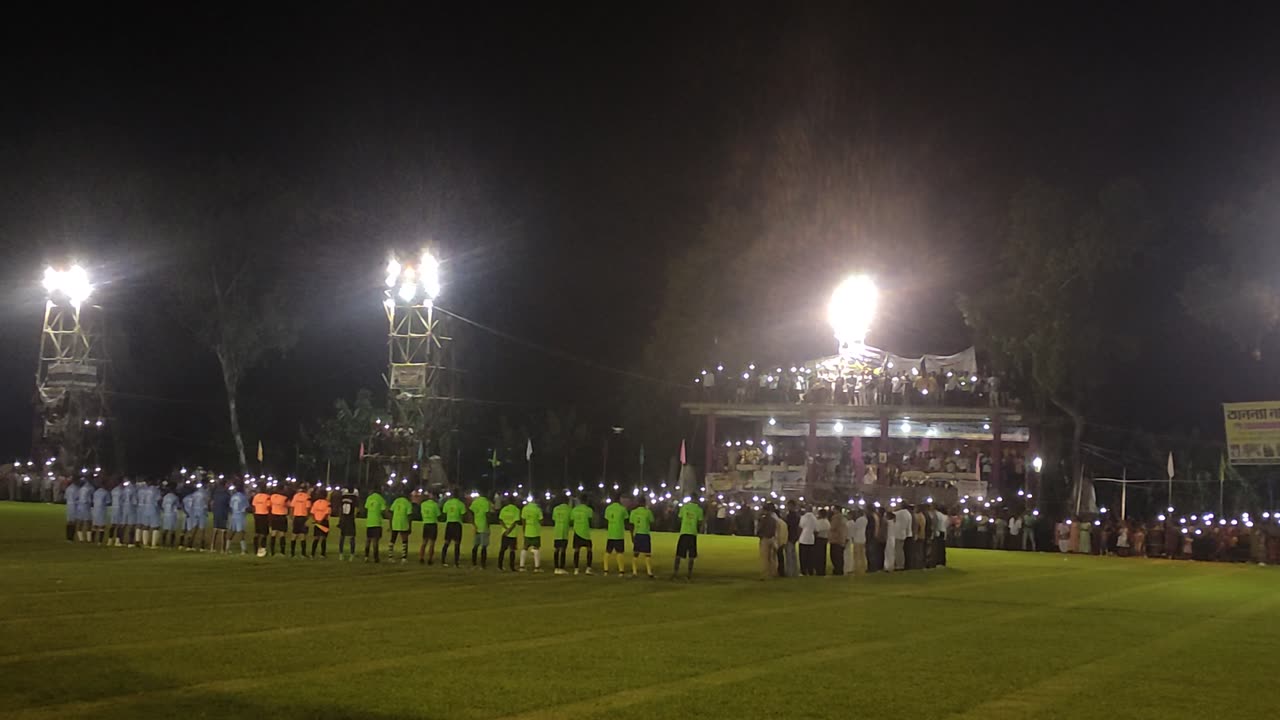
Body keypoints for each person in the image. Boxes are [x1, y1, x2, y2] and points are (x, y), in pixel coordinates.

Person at [673, 498, 704, 580]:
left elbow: (679, 517)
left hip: (684, 532)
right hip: (692, 533)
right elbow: (700, 522)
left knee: (678, 554)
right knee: (691, 555)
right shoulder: (699, 510)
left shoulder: (684, 507)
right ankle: (689, 574)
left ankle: (675, 573)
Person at [603, 494, 629, 576]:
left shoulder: (608, 508)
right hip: (619, 534)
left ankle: (605, 570)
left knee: (607, 552)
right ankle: (621, 571)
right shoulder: (622, 509)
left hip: (611, 533)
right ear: (619, 499)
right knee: (620, 553)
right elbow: (626, 518)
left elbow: (606, 519)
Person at [628, 496, 655, 578]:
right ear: (644, 503)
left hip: (637, 534)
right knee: (647, 554)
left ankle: (634, 572)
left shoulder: (633, 512)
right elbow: (652, 521)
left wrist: (632, 536)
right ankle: (649, 572)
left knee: (635, 554)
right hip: (645, 534)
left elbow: (631, 525)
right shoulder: (648, 512)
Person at [440, 492, 467, 567]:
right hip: (457, 524)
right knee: (457, 543)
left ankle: (443, 560)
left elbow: (444, 513)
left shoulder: (447, 503)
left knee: (446, 542)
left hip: (449, 523)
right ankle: (456, 562)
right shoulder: (460, 504)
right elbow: (463, 514)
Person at [570, 496, 595, 575]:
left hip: (577, 531)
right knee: (589, 550)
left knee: (576, 550)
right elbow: (590, 520)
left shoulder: (574, 510)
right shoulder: (589, 510)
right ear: (587, 501)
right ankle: (588, 568)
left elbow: (572, 520)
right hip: (586, 532)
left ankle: (576, 569)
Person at [469, 493, 493, 570]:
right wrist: (488, 525)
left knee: (475, 545)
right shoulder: (486, 503)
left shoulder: (475, 502)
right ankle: (482, 564)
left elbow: (470, 513)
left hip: (477, 526)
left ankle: (474, 563)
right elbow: (487, 515)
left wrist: (473, 523)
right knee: (484, 546)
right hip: (484, 526)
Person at [519, 498, 544, 573]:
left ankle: (521, 566)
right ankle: (537, 567)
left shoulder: (525, 508)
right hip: (535, 531)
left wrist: (524, 530)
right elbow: (541, 521)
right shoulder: (537, 509)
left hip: (527, 531)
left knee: (525, 548)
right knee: (536, 548)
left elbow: (523, 521)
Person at [363, 489, 387, 563]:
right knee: (375, 541)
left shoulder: (369, 498)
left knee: (368, 540)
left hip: (369, 521)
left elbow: (366, 508)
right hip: (377, 521)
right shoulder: (380, 498)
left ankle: (366, 557)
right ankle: (376, 558)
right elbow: (383, 510)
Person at [389, 493, 413, 562]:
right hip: (403, 522)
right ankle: (404, 557)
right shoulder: (407, 503)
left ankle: (390, 556)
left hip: (395, 522)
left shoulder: (396, 501)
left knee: (392, 539)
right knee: (404, 540)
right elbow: (409, 516)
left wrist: (390, 524)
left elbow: (391, 511)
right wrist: (410, 526)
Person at [497, 500, 521, 572]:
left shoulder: (504, 509)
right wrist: (509, 530)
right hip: (512, 533)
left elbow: (500, 520)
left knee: (502, 549)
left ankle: (500, 566)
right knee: (512, 550)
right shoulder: (516, 510)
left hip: (504, 532)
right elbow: (515, 522)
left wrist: (505, 529)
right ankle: (512, 566)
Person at [417, 491, 440, 565]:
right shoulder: (435, 505)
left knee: (424, 542)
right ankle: (430, 559)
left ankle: (421, 557)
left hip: (426, 523)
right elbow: (438, 514)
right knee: (432, 543)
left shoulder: (423, 504)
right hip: (433, 524)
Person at [551, 497, 572, 575]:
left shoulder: (555, 509)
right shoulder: (569, 509)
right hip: (564, 532)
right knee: (563, 550)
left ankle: (556, 567)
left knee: (556, 549)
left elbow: (554, 519)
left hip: (557, 531)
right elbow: (571, 519)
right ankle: (562, 567)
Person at [337, 488, 359, 561]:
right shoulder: (354, 498)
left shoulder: (343, 498)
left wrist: (340, 518)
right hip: (350, 518)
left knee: (342, 537)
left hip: (343, 518)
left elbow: (340, 509)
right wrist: (354, 517)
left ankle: (341, 554)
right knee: (351, 537)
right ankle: (351, 554)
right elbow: (356, 509)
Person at [289, 485, 312, 557]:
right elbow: (308, 507)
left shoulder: (295, 496)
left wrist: (291, 516)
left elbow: (292, 506)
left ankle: (292, 553)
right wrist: (308, 517)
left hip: (296, 517)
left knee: (294, 535)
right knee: (302, 535)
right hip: (303, 517)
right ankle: (303, 553)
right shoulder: (307, 497)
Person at [756, 504, 778, 580]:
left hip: (765, 539)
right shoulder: (774, 520)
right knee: (772, 557)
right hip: (772, 538)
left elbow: (760, 529)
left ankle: (765, 574)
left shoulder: (764, 519)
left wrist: (759, 535)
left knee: (765, 558)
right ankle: (773, 572)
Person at [310, 491, 332, 558]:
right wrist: (321, 521)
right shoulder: (327, 503)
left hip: (317, 521)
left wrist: (316, 520)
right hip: (324, 522)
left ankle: (312, 554)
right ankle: (322, 554)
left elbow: (312, 512)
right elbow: (326, 513)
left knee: (316, 537)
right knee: (323, 538)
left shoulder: (316, 502)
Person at [228, 485, 249, 554]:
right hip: (240, 515)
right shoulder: (243, 497)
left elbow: (231, 506)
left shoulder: (233, 496)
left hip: (234, 515)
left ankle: (226, 548)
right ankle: (243, 549)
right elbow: (246, 507)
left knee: (232, 531)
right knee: (240, 532)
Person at [211, 482, 231, 554]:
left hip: (216, 513)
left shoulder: (216, 493)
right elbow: (229, 504)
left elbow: (212, 503)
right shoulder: (226, 494)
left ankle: (212, 547)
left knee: (215, 530)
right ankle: (222, 549)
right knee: (223, 531)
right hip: (223, 513)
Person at [268, 487, 289, 556]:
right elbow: (288, 505)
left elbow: (270, 505)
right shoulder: (285, 498)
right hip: (282, 516)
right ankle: (282, 552)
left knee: (273, 533)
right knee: (282, 534)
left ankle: (272, 551)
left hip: (274, 516)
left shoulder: (273, 497)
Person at [797, 506, 817, 575]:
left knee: (803, 556)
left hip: (804, 538)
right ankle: (810, 570)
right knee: (810, 556)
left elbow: (801, 526)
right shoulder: (814, 518)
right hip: (811, 538)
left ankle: (803, 570)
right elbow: (815, 528)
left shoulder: (803, 517)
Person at [251, 487, 271, 556]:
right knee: (264, 533)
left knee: (257, 533)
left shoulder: (256, 496)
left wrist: (254, 514)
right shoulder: (267, 497)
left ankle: (255, 549)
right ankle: (262, 549)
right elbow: (268, 507)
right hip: (264, 515)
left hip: (257, 515)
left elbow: (253, 506)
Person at [783, 500, 801, 577]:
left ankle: (789, 572)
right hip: (794, 537)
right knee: (793, 556)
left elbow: (789, 526)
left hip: (789, 537)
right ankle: (794, 572)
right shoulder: (797, 516)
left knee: (789, 556)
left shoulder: (790, 516)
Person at [828, 508, 847, 576]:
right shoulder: (844, 518)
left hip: (835, 539)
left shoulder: (836, 517)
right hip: (841, 539)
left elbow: (832, 527)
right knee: (840, 556)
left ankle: (837, 570)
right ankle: (840, 570)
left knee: (835, 556)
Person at [850, 509, 868, 575]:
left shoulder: (858, 520)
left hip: (857, 538)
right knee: (863, 554)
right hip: (863, 538)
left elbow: (855, 528)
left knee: (857, 555)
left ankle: (857, 568)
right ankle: (863, 567)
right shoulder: (866, 519)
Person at [813, 509, 830, 576]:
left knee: (818, 556)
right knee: (823, 555)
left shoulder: (820, 522)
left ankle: (819, 570)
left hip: (819, 539)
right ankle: (822, 569)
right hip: (824, 539)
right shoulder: (827, 522)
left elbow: (817, 531)